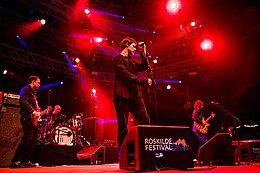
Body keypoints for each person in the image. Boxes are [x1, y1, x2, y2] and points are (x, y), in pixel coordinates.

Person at [113, 37, 152, 154]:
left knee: (145, 121)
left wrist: (143, 53)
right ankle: (123, 154)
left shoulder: (132, 62)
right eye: (133, 46)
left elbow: (144, 67)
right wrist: (143, 81)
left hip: (135, 97)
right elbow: (126, 75)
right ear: (126, 45)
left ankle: (144, 151)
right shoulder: (117, 59)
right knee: (123, 126)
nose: (135, 49)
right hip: (122, 96)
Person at [10, 75, 46, 168]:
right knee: (26, 139)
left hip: (32, 119)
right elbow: (23, 101)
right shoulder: (25, 89)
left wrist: (37, 110)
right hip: (27, 118)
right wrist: (33, 111)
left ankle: (26, 161)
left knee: (33, 140)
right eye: (38, 82)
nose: (39, 84)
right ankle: (15, 161)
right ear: (33, 82)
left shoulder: (33, 93)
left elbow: (33, 106)